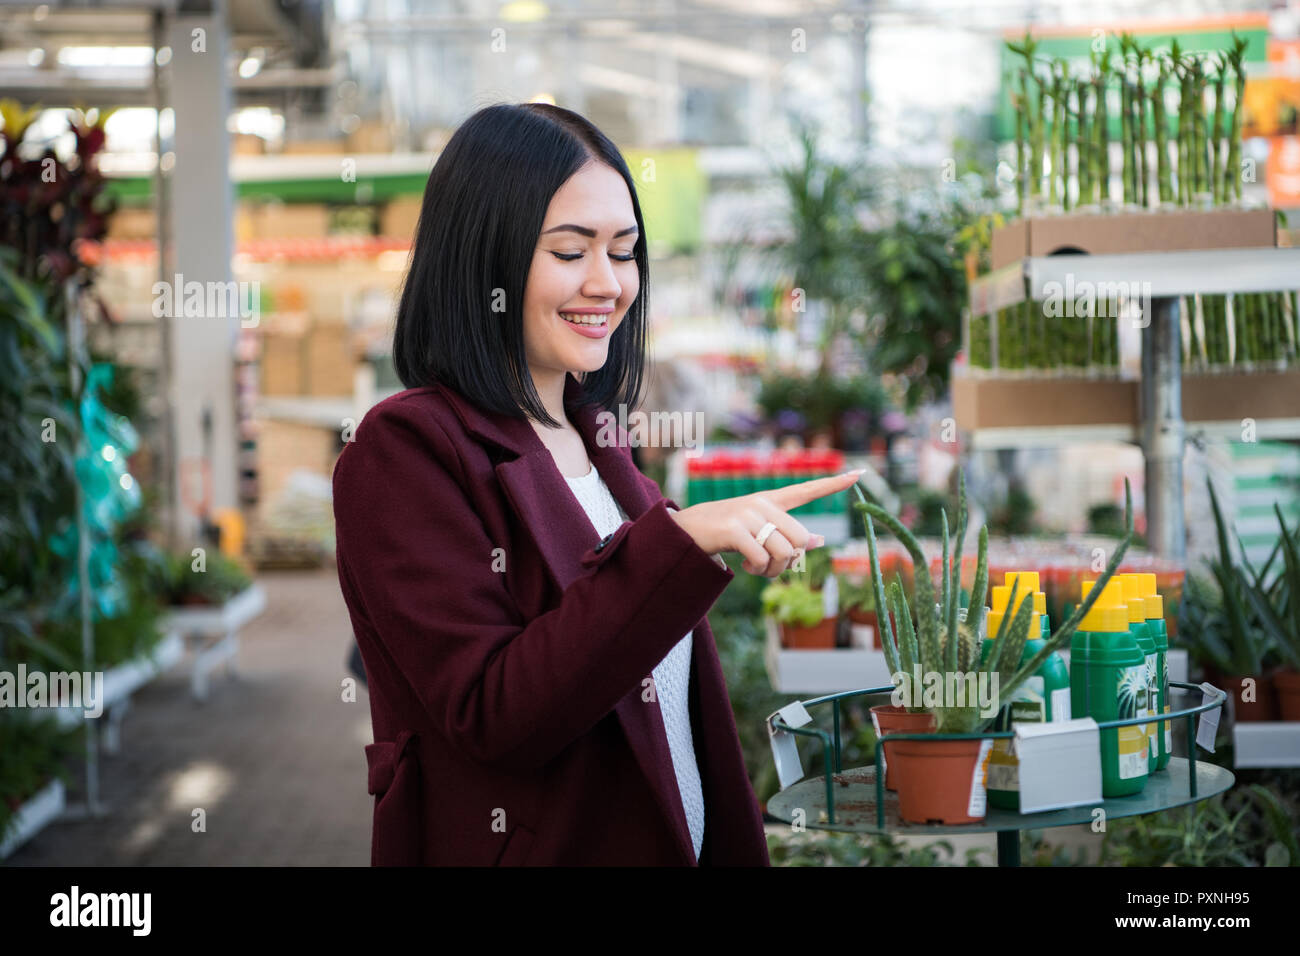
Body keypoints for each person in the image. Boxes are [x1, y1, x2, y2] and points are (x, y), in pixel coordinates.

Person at [331, 102, 863, 866]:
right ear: (486, 259)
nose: (607, 283)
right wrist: (674, 544)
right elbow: (495, 713)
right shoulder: (406, 450)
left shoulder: (600, 443)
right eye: (571, 251)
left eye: (624, 250)